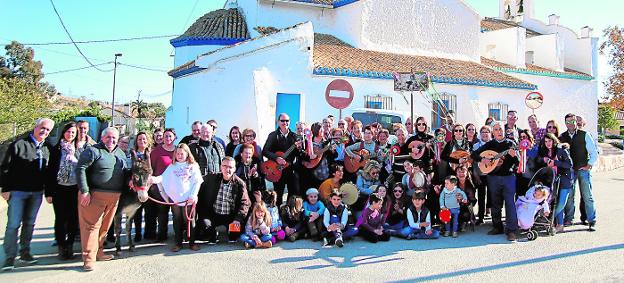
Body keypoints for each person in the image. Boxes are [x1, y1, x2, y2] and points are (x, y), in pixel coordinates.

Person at [1, 118, 55, 271]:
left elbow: (49, 173)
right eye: (42, 128)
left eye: (48, 130)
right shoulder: (18, 144)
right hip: (18, 192)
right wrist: (5, 188)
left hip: (36, 192)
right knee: (13, 225)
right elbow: (5, 167)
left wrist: (48, 192)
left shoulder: (47, 148)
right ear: (36, 127)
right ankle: (10, 258)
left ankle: (25, 253)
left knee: (30, 224)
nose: (44, 132)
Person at [75, 127, 130, 271]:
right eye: (108, 137)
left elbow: (125, 173)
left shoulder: (121, 153)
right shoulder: (93, 151)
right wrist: (85, 191)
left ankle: (99, 252)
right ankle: (88, 258)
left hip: (114, 197)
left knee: (104, 228)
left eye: (114, 138)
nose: (111, 140)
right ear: (102, 137)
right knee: (91, 227)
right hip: (93, 195)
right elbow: (80, 169)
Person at [470, 121, 519, 241]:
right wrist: (483, 159)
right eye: (496, 129)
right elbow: (474, 155)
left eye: (501, 129)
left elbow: (518, 162)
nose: (499, 131)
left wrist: (515, 156)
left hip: (508, 177)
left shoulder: (511, 143)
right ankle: (497, 227)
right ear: (493, 132)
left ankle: (511, 230)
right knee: (495, 203)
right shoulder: (489, 144)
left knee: (510, 203)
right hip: (493, 177)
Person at [150, 144, 203, 252]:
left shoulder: (193, 166)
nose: (179, 155)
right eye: (177, 153)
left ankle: (192, 242)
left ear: (187, 154)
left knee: (190, 220)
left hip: (189, 199)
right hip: (175, 199)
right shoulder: (172, 166)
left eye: (182, 153)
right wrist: (153, 179)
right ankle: (178, 243)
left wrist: (193, 195)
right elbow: (163, 178)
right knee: (177, 220)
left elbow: (197, 182)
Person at [559, 113, 598, 231]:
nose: (570, 124)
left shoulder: (584, 135)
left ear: (577, 122)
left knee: (587, 195)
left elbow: (593, 152)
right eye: (568, 122)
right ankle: (569, 219)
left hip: (582, 170)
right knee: (569, 196)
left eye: (572, 121)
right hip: (569, 171)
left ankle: (592, 220)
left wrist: (589, 164)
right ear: (565, 123)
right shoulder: (562, 136)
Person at [197, 157, 250, 244]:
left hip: (230, 215)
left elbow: (245, 203)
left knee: (234, 236)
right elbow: (197, 182)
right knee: (205, 226)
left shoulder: (240, 184)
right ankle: (213, 233)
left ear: (234, 169)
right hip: (213, 214)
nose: (227, 169)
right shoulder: (211, 179)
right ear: (220, 167)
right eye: (225, 166)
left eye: (230, 167)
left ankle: (230, 232)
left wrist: (238, 219)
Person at [47, 122, 79, 260]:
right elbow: (49, 172)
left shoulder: (78, 150)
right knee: (60, 219)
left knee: (73, 219)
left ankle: (70, 245)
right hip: (59, 189)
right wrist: (48, 192)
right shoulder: (56, 149)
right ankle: (61, 246)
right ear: (63, 132)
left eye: (73, 132)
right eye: (68, 132)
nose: (70, 134)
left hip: (74, 188)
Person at [262, 113, 304, 206]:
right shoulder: (273, 135)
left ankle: (290, 215)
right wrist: (276, 158)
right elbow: (265, 151)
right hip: (277, 170)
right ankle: (278, 215)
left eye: (287, 121)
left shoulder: (295, 136)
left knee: (293, 194)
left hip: (291, 169)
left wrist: (299, 149)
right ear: (278, 122)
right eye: (282, 121)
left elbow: (300, 155)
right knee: (278, 194)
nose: (285, 123)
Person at [535, 133, 573, 232]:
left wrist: (555, 162)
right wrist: (543, 160)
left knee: (561, 203)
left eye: (550, 141)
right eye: (546, 141)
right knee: (555, 201)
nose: (548, 143)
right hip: (552, 181)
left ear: (554, 140)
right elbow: (538, 160)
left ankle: (549, 219)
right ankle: (559, 224)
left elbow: (569, 164)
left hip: (564, 179)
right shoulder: (544, 151)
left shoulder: (561, 149)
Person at [147, 128, 176, 242]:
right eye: (166, 136)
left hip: (175, 186)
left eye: (170, 136)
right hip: (160, 187)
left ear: (174, 137)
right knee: (162, 212)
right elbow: (151, 169)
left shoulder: (178, 150)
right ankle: (162, 235)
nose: (168, 138)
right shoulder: (156, 152)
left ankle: (178, 234)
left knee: (176, 212)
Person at [129, 132, 151, 242]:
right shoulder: (133, 154)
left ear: (148, 140)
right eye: (139, 139)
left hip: (149, 186)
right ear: (136, 142)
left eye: (144, 139)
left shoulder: (151, 153)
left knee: (149, 211)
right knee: (137, 212)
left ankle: (148, 232)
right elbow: (130, 169)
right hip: (137, 187)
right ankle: (137, 233)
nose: (142, 141)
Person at [473, 125, 492, 224]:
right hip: (480, 174)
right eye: (483, 132)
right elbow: (474, 162)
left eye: (487, 131)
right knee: (481, 196)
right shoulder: (476, 146)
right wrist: (476, 174)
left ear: (490, 133)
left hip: (492, 175)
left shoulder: (494, 144)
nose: (485, 133)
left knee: (492, 195)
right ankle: (480, 217)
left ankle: (493, 216)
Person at [516, 130, 538, 198]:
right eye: (521, 138)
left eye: (524, 137)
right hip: (520, 179)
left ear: (529, 137)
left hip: (531, 179)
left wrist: (526, 149)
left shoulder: (535, 148)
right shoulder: (518, 150)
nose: (522, 139)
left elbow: (534, 155)